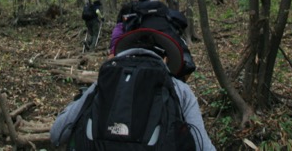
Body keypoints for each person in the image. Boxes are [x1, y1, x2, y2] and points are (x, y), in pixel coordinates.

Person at [51, 27, 216, 150]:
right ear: (165, 59)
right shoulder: (179, 89)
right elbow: (203, 146)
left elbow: (57, 134)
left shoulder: (102, 83)